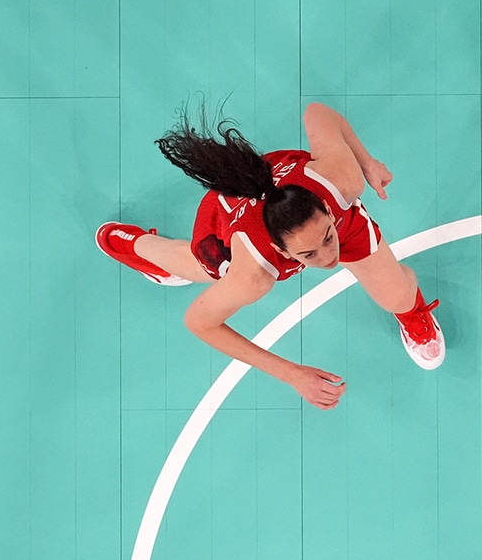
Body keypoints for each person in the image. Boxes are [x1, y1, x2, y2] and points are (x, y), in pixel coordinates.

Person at [96, 101, 445, 409]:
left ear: (326, 207)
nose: (328, 258)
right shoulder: (253, 273)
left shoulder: (341, 180)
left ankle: (411, 311)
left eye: (326, 239)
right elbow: (199, 322)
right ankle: (131, 244)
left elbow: (317, 112)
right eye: (309, 254)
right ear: (282, 252)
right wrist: (291, 374)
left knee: (398, 293)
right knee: (196, 265)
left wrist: (366, 163)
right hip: (230, 217)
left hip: (282, 188)